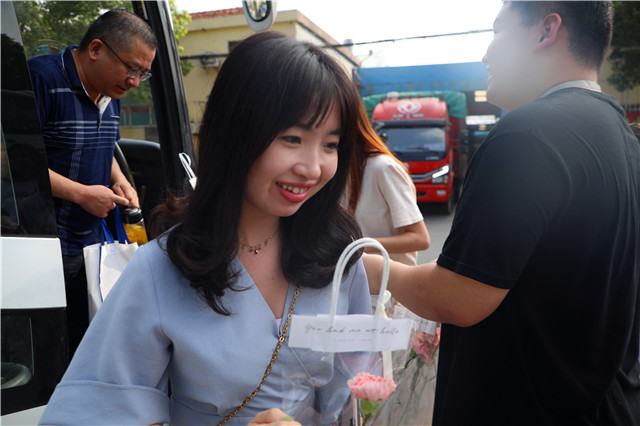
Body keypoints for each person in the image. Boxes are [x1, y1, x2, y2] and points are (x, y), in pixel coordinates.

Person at [39, 31, 372, 425]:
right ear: (235, 132)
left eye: (330, 145)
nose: (312, 168)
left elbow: (358, 392)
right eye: (292, 138)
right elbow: (96, 414)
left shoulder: (340, 260)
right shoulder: (161, 270)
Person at [364, 2, 640, 424]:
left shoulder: (529, 132)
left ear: (546, 30)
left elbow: (457, 296)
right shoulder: (626, 139)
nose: (485, 54)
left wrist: (369, 266)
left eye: (497, 31)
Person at [28, 9, 156, 355]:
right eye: (131, 69)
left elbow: (104, 146)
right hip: (42, 244)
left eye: (142, 74)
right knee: (49, 352)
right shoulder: (41, 78)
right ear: (97, 49)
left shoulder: (110, 93)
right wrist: (82, 194)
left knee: (87, 345)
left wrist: (119, 179)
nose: (134, 82)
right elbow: (10, 160)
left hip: (90, 246)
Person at [347, 104, 430, 266]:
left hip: (389, 280)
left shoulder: (382, 168)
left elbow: (420, 238)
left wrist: (357, 246)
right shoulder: (333, 172)